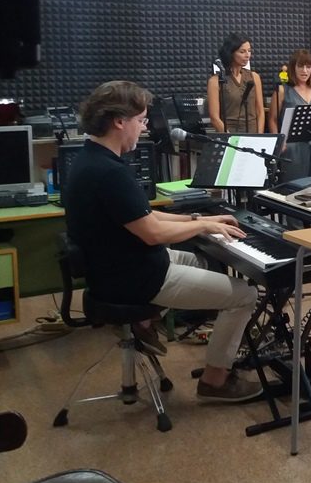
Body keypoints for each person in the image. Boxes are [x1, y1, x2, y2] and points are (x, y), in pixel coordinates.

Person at [63, 81, 261, 403]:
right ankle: (215, 380)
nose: (143, 128)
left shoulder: (90, 159)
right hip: (136, 277)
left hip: (117, 267)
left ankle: (145, 321)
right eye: (141, 120)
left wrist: (198, 220)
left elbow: (145, 216)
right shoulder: (109, 173)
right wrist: (202, 226)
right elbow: (152, 233)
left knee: (202, 260)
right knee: (245, 295)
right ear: (119, 121)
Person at [267, 49, 311, 182]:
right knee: (295, 186)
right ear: (293, 68)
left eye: (308, 67)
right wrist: (280, 143)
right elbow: (272, 119)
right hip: (293, 148)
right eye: (300, 66)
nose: (305, 71)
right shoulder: (282, 90)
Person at [207, 33, 264, 133]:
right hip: (229, 134)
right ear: (231, 53)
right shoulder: (215, 81)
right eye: (242, 51)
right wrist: (230, 138)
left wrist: (259, 135)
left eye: (249, 51)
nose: (247, 55)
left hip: (253, 133)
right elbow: (214, 118)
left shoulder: (254, 77)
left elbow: (260, 111)